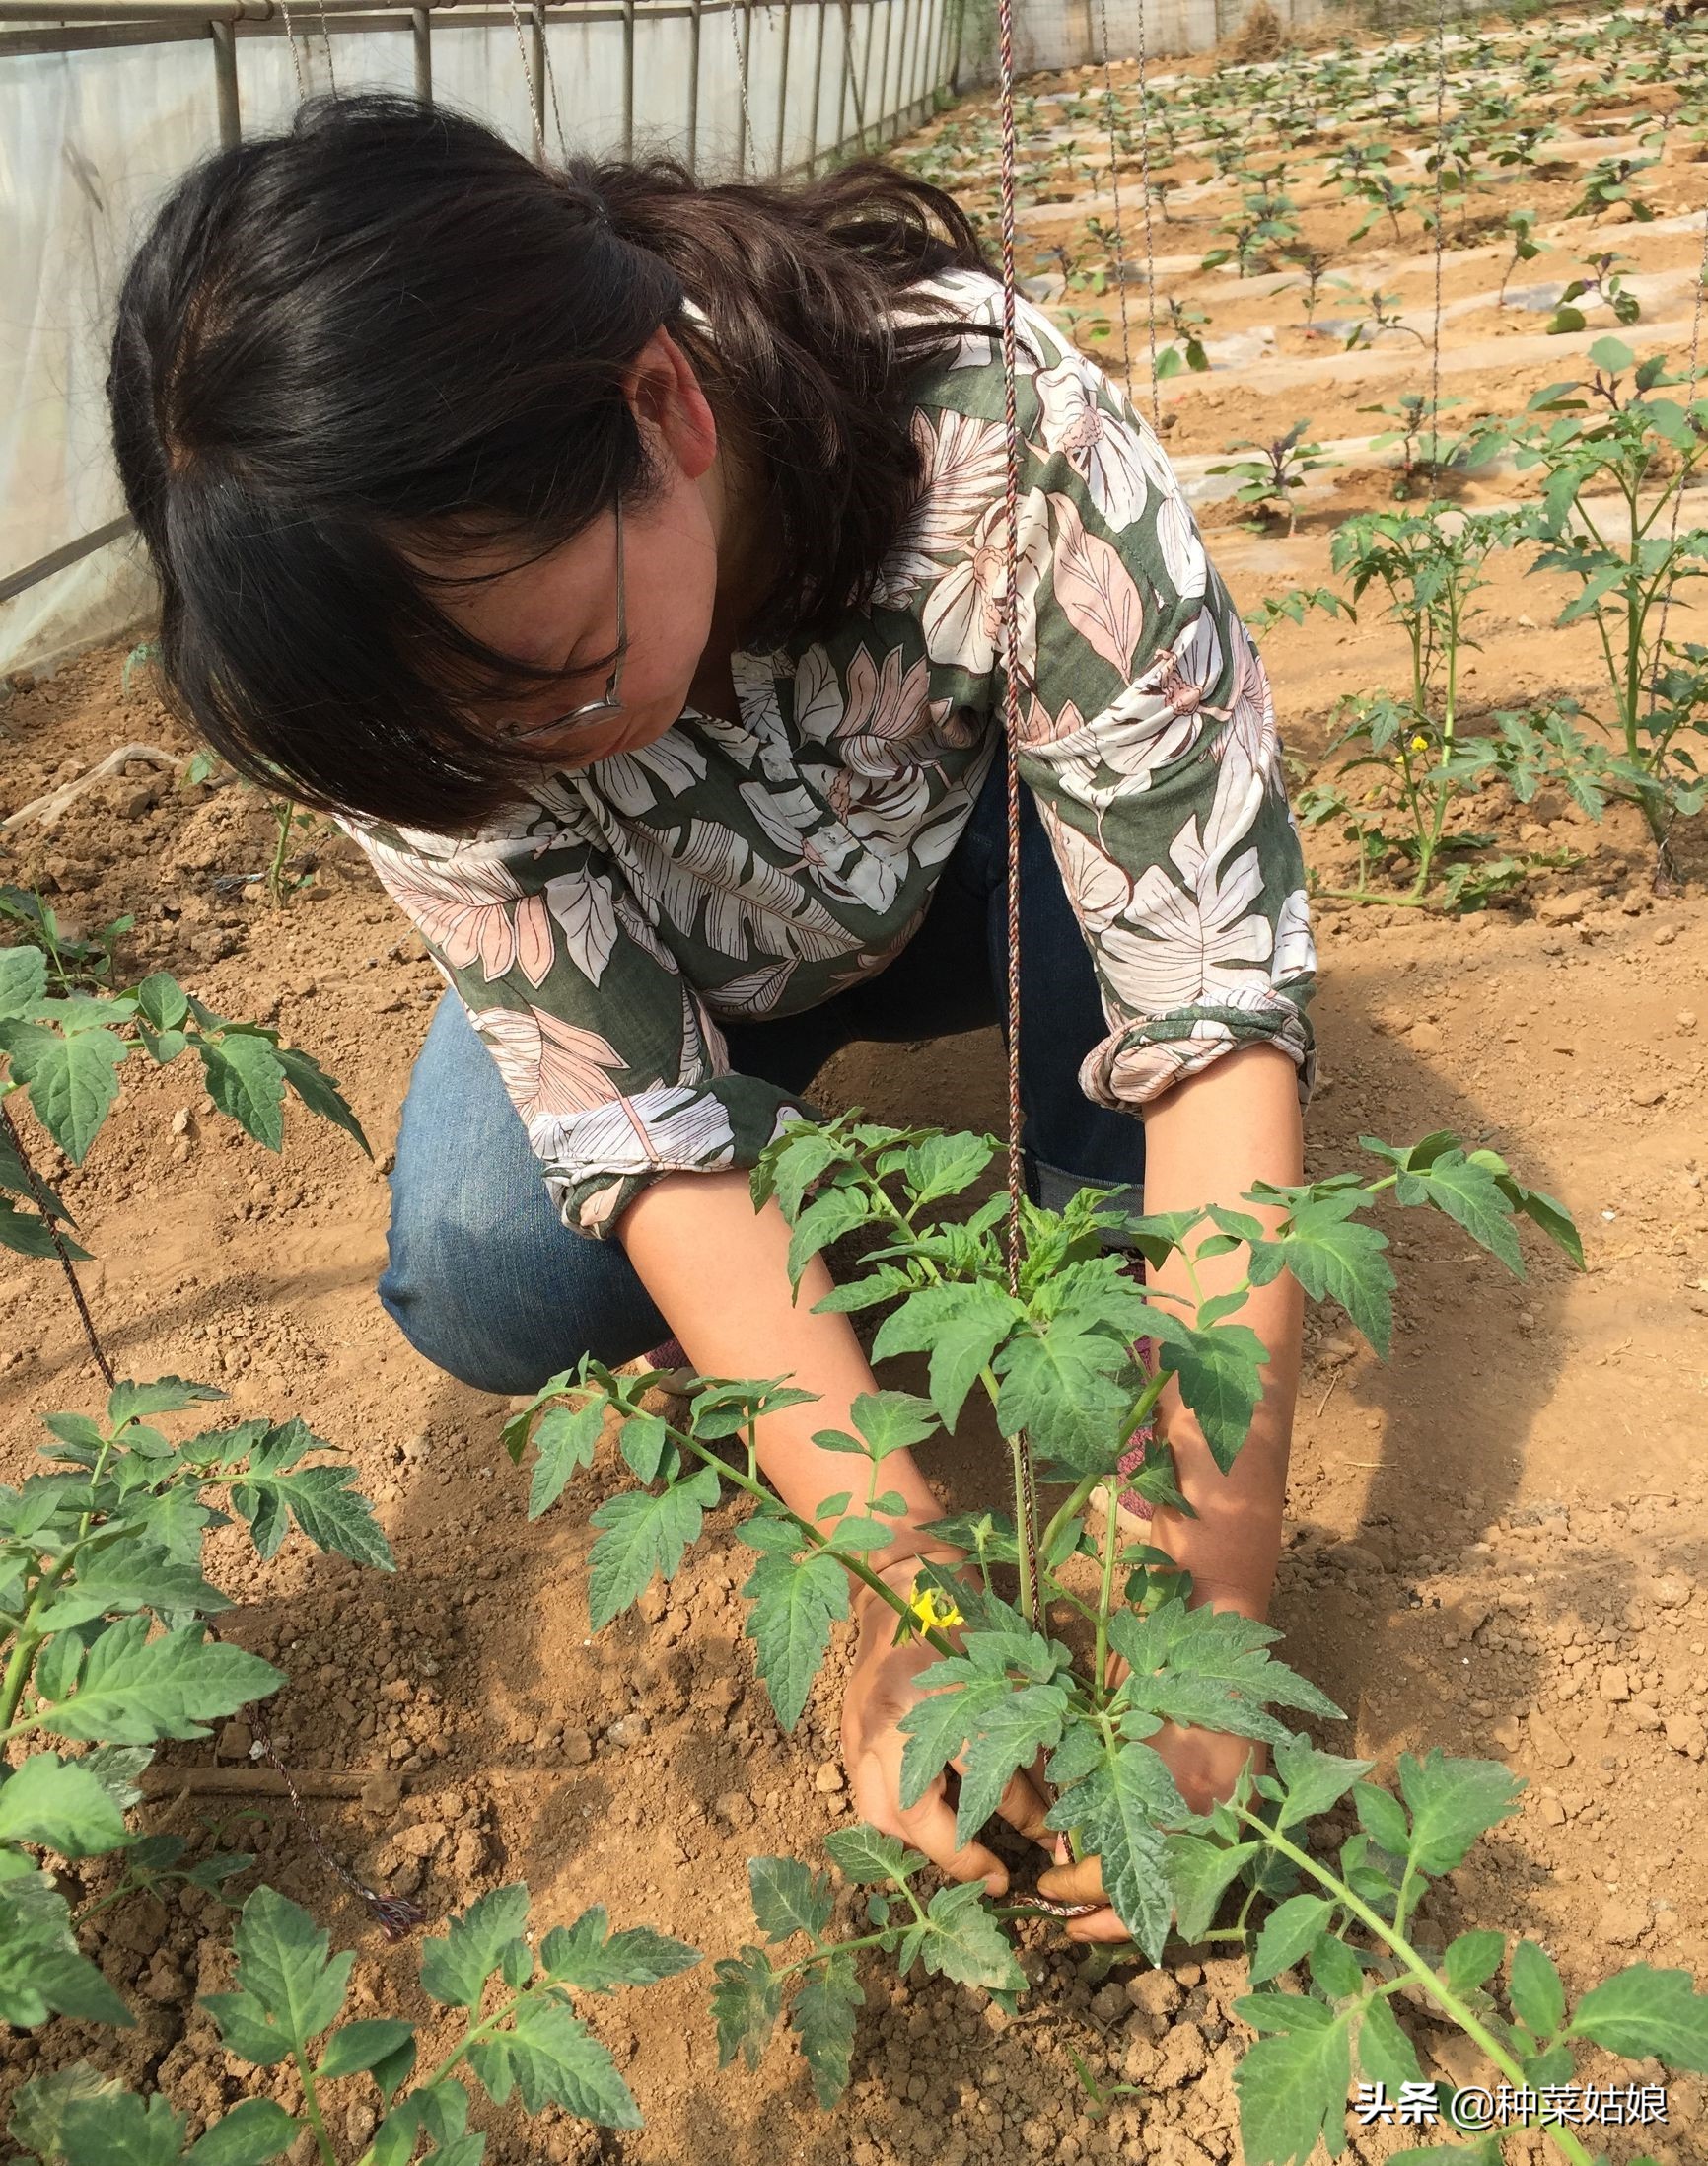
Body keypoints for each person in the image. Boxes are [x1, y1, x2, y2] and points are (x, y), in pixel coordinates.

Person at [107, 93, 1314, 1942]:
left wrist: (1202, 1614)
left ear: (665, 414)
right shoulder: (389, 660)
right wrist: (910, 1604)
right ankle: (845, 1322)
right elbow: (641, 1130)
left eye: (554, 684)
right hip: (687, 960)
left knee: (1161, 1192)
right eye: (446, 757)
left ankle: (1066, 1204)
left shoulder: (996, 434)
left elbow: (1209, 1004)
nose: (505, 766)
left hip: (995, 867)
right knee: (491, 1263)